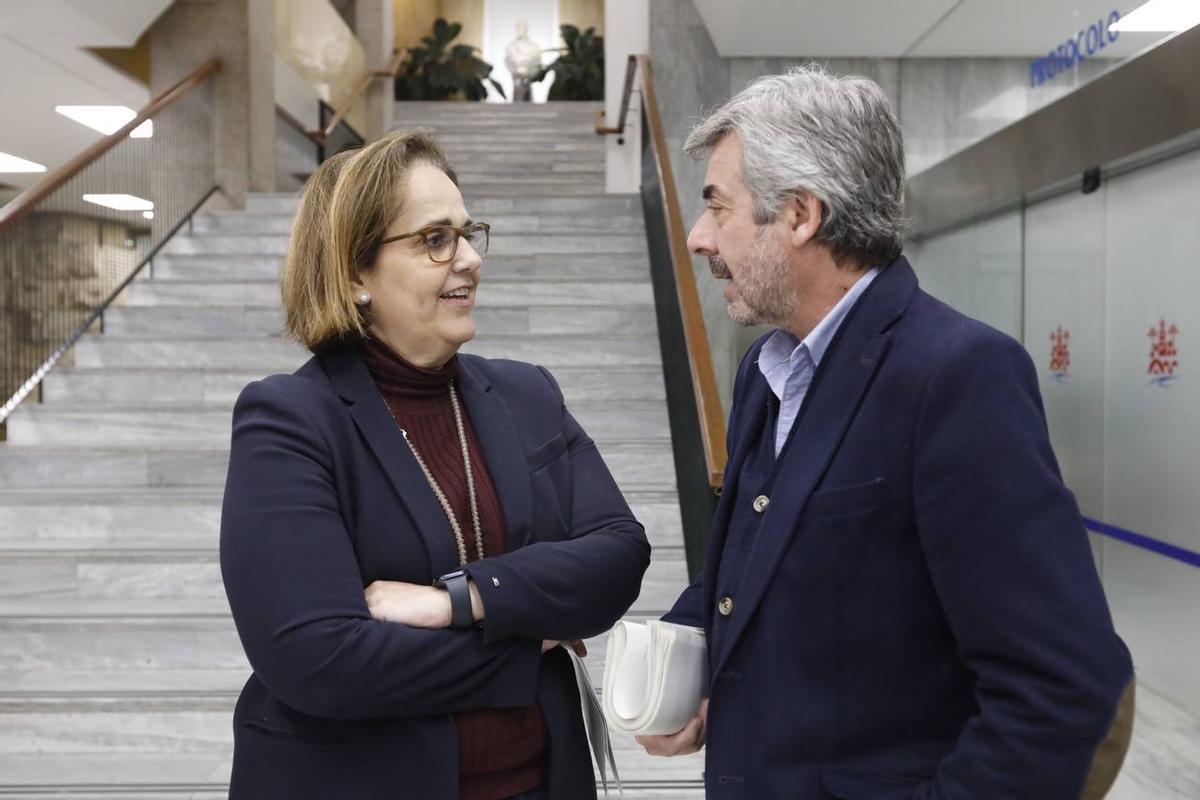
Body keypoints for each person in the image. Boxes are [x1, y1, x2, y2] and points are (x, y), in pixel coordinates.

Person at [637, 66, 1134, 799]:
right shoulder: (765, 374)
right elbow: (748, 568)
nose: (698, 235)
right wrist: (685, 655)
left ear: (801, 215)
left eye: (719, 207)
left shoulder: (957, 377)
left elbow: (1063, 690)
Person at [220, 130, 650, 800]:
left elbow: (618, 554)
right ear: (355, 273)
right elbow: (318, 659)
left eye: (468, 232)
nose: (471, 258)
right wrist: (526, 640)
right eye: (435, 239)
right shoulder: (291, 419)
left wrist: (460, 599)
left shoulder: (527, 394)